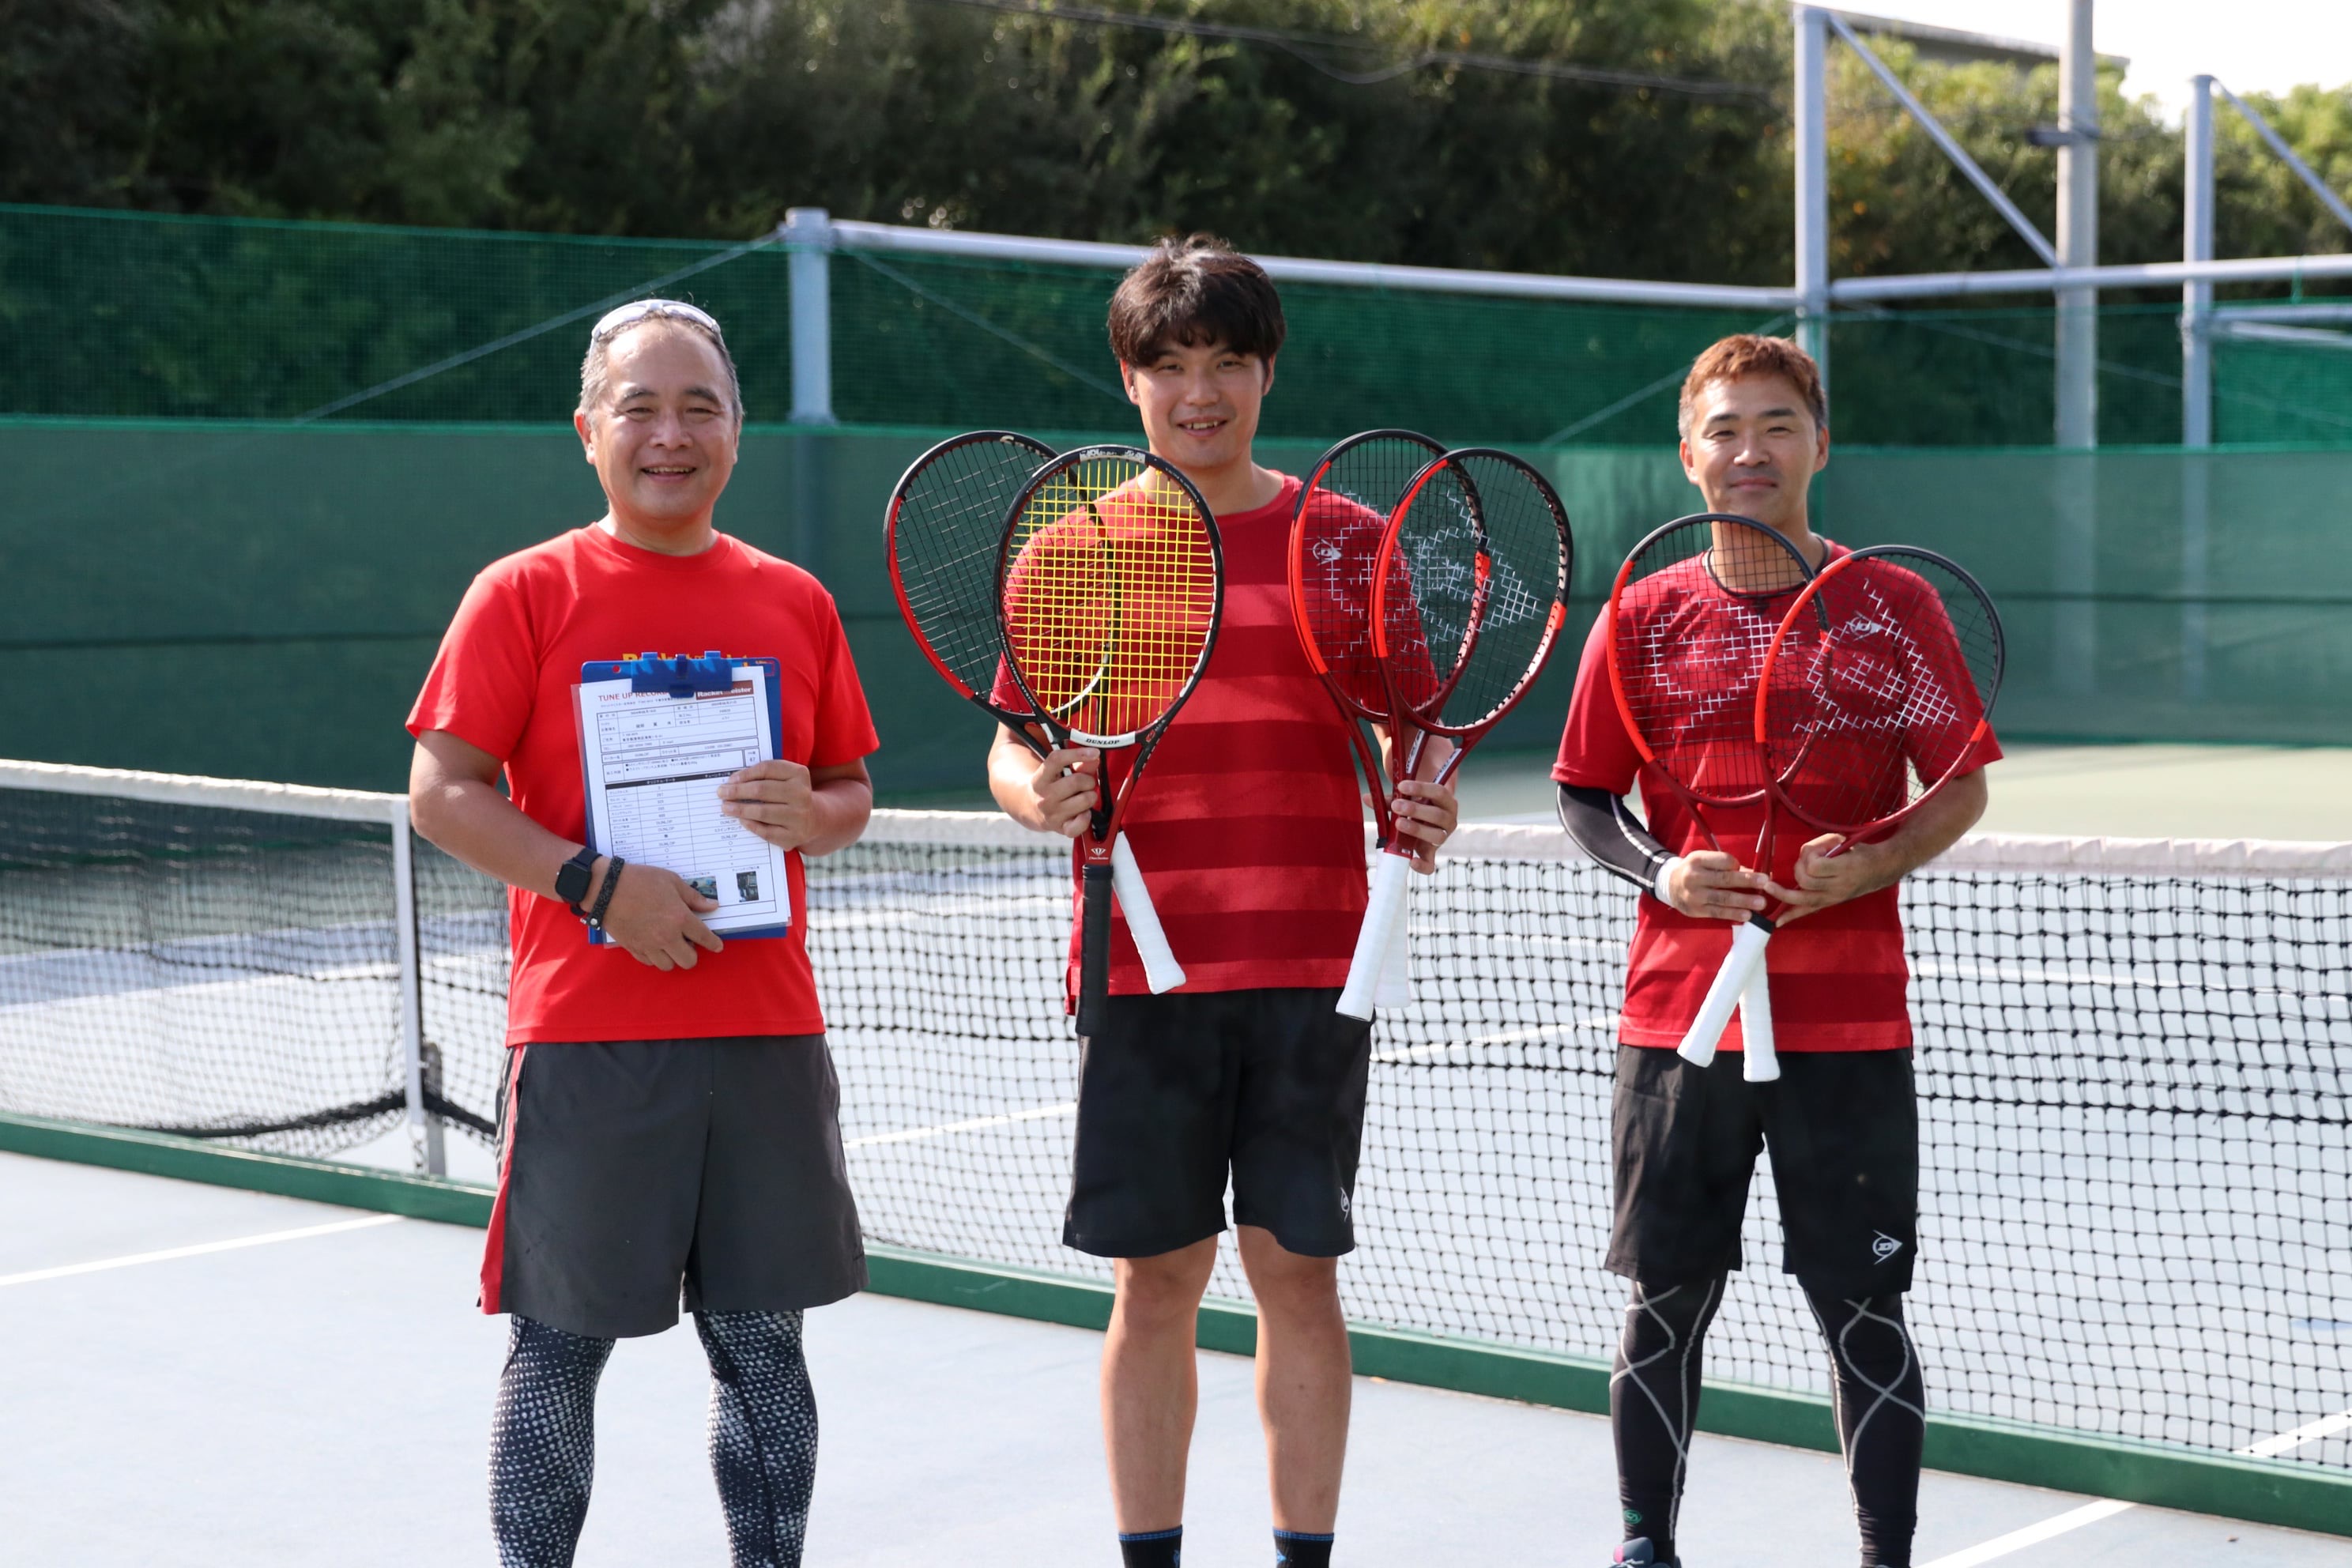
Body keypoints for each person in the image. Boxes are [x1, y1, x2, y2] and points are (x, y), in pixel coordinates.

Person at [987, 236, 1460, 1568]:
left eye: (1229, 363)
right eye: (1171, 365)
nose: (1202, 392)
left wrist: (1427, 798)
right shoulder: (1072, 552)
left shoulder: (1346, 546)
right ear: (1130, 381)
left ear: (1267, 373)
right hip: (1142, 966)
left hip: (1315, 970)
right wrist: (1041, 797)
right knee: (1157, 1282)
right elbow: (1014, 745)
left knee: (1297, 1276)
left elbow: (1415, 734)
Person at [405, 298, 879, 1568]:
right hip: (589, 1041)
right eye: (640, 407)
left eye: (700, 408)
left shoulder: (795, 602)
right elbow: (442, 792)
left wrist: (811, 811)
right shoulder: (524, 593)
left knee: (766, 1351)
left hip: (766, 1032)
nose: (670, 434)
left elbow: (849, 793)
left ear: (737, 431)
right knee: (560, 1347)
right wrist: (596, 886)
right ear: (588, 431)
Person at [1551, 334, 1996, 1568]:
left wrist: (1870, 860)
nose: (1751, 450)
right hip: (1678, 1023)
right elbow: (1586, 797)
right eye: (1726, 428)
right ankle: (1647, 1548)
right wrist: (1665, 872)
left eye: (1778, 426)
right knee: (1666, 1304)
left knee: (1863, 1308)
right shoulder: (1639, 616)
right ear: (1688, 454)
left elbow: (1957, 789)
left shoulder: (1891, 606)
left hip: (1847, 1029)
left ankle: (1883, 1557)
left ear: (1820, 443)